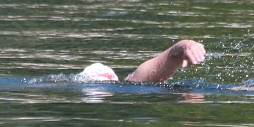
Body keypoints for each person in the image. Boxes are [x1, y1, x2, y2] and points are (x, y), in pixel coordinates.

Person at [78, 39, 206, 84]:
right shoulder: (130, 84)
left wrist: (187, 45)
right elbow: (172, 55)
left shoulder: (131, 83)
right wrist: (186, 45)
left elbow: (172, 54)